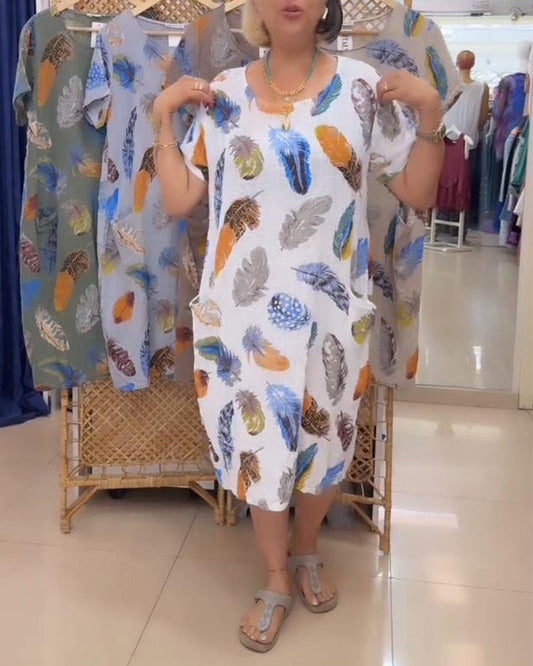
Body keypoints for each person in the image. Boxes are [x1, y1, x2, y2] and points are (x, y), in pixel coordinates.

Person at [154, 0, 444, 653]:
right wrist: (162, 118)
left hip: (331, 309)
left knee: (327, 438)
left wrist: (429, 114)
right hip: (244, 318)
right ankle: (276, 575)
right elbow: (179, 198)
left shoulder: (363, 87)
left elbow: (418, 192)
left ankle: (307, 547)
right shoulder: (224, 93)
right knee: (260, 446)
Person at [444, 50, 489, 148]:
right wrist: (476, 130)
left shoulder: (445, 85)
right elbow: (483, 117)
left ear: (456, 63)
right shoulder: (482, 87)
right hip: (469, 139)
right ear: (473, 64)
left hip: (446, 137)